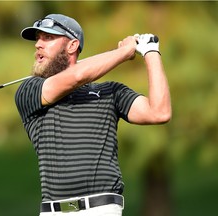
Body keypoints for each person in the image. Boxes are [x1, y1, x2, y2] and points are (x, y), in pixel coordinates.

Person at [15, 14, 171, 216]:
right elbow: (77, 76)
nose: (38, 45)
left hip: (102, 210)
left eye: (48, 38)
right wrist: (124, 52)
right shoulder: (30, 89)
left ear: (72, 46)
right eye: (38, 38)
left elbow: (159, 112)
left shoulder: (110, 92)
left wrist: (151, 52)